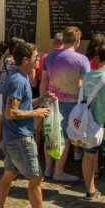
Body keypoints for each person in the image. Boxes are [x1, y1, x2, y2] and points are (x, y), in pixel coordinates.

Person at [0, 42, 56, 208]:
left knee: (9, 174)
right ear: (26, 60)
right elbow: (11, 112)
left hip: (13, 137)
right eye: (36, 57)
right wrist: (37, 113)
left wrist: (42, 99)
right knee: (36, 178)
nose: (38, 60)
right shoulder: (18, 81)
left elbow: (23, 105)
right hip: (20, 139)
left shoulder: (20, 78)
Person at [39, 26, 90, 181]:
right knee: (65, 137)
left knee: (51, 134)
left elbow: (44, 81)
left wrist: (42, 99)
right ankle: (59, 172)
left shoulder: (49, 57)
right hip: (72, 101)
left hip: (51, 100)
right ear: (78, 41)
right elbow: (88, 83)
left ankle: (48, 169)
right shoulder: (81, 59)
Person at [79, 44, 105, 201]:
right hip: (101, 124)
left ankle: (90, 191)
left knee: (88, 157)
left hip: (89, 123)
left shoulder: (89, 75)